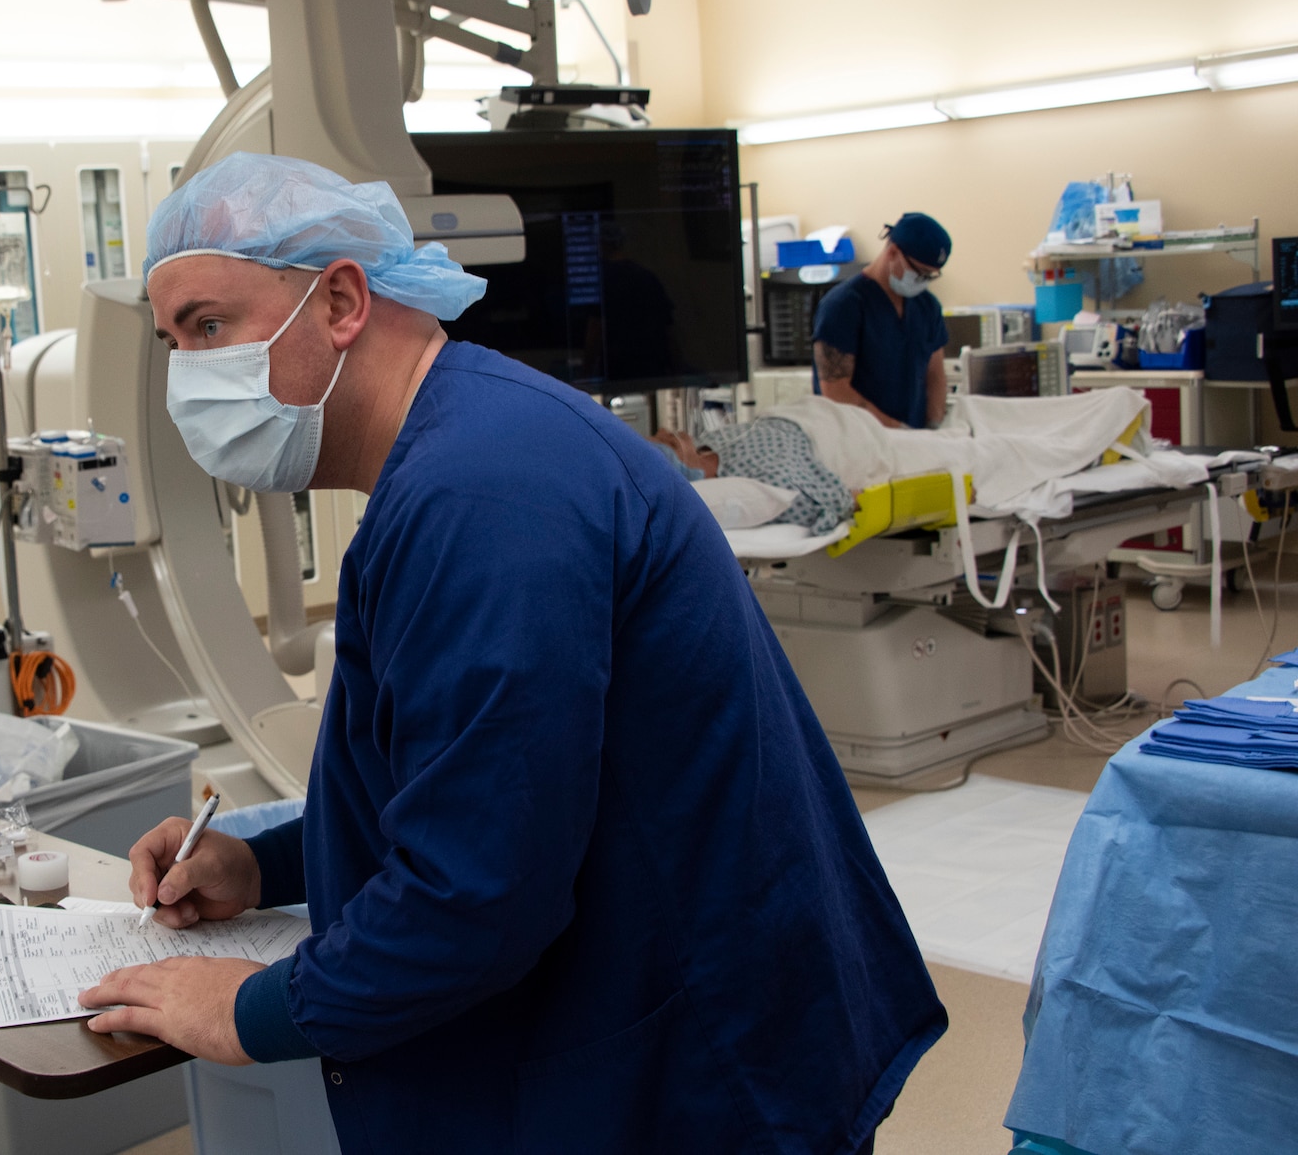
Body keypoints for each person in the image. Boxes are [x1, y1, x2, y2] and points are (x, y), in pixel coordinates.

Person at [76, 153, 945, 1154]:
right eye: (173, 339)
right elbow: (465, 788)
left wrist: (242, 1013)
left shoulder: (482, 497)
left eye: (210, 326)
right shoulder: (461, 451)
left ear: (342, 300)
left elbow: (476, 894)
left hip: (701, 1065)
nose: (190, 373)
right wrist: (259, 864)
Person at [812, 213, 953, 429]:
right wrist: (896, 431)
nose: (923, 281)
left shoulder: (927, 307)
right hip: (855, 440)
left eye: (930, 276)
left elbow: (934, 375)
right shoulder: (843, 306)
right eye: (920, 273)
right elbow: (835, 390)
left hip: (912, 442)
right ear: (893, 252)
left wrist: (934, 429)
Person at [652, 419, 854, 535]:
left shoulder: (712, 440)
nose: (664, 431)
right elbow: (835, 502)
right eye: (668, 444)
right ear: (689, 471)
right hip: (842, 436)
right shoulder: (776, 483)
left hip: (803, 418)